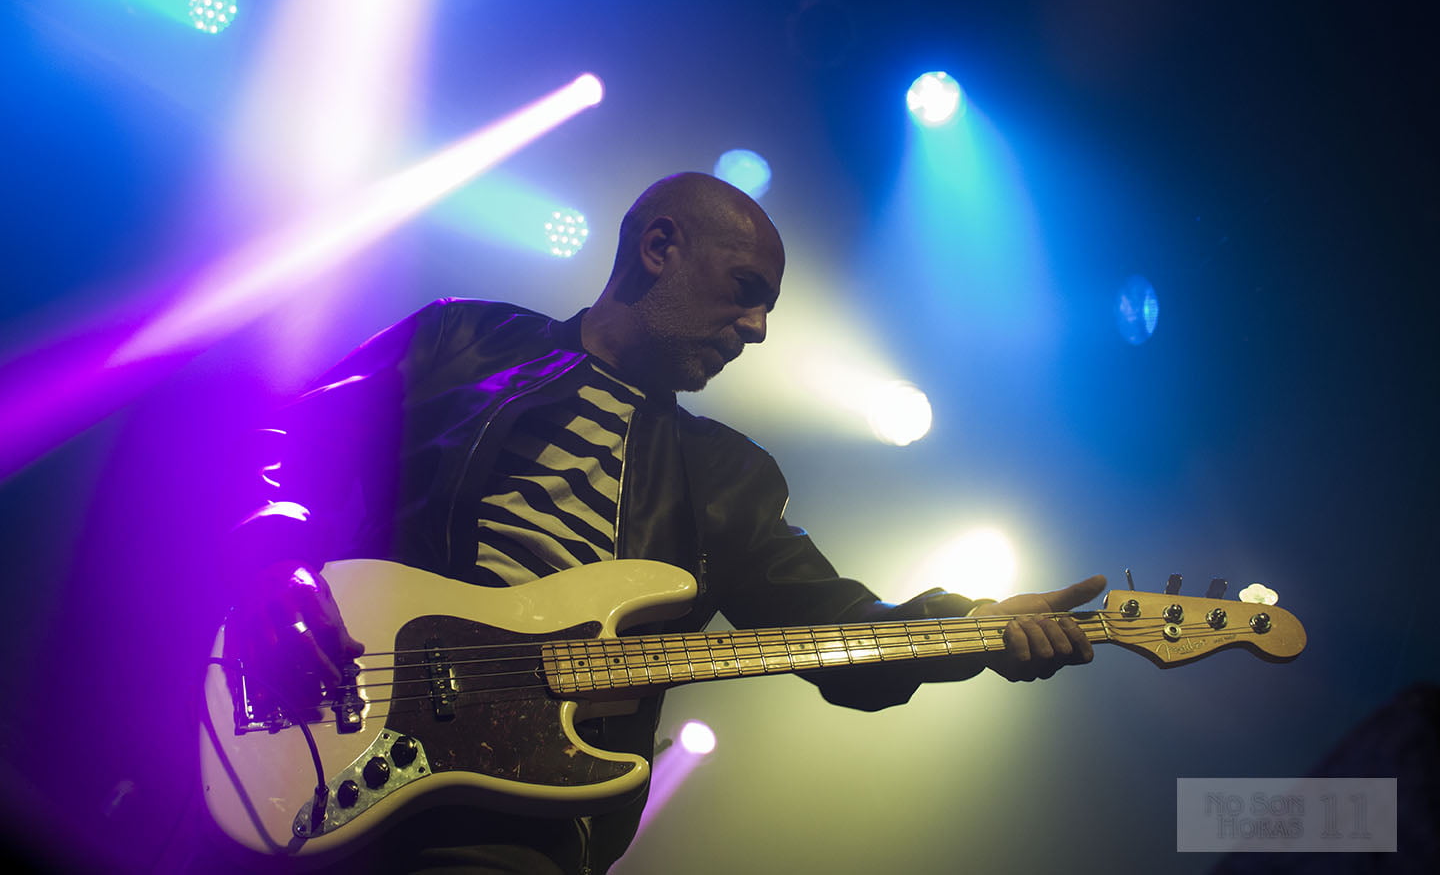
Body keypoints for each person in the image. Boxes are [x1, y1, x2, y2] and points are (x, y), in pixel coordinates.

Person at [226, 172, 1105, 873]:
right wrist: (274, 561)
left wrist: (974, 630)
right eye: (745, 290)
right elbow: (281, 437)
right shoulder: (465, 341)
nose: (757, 328)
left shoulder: (727, 479)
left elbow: (840, 629)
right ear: (659, 248)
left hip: (512, 824)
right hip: (317, 719)